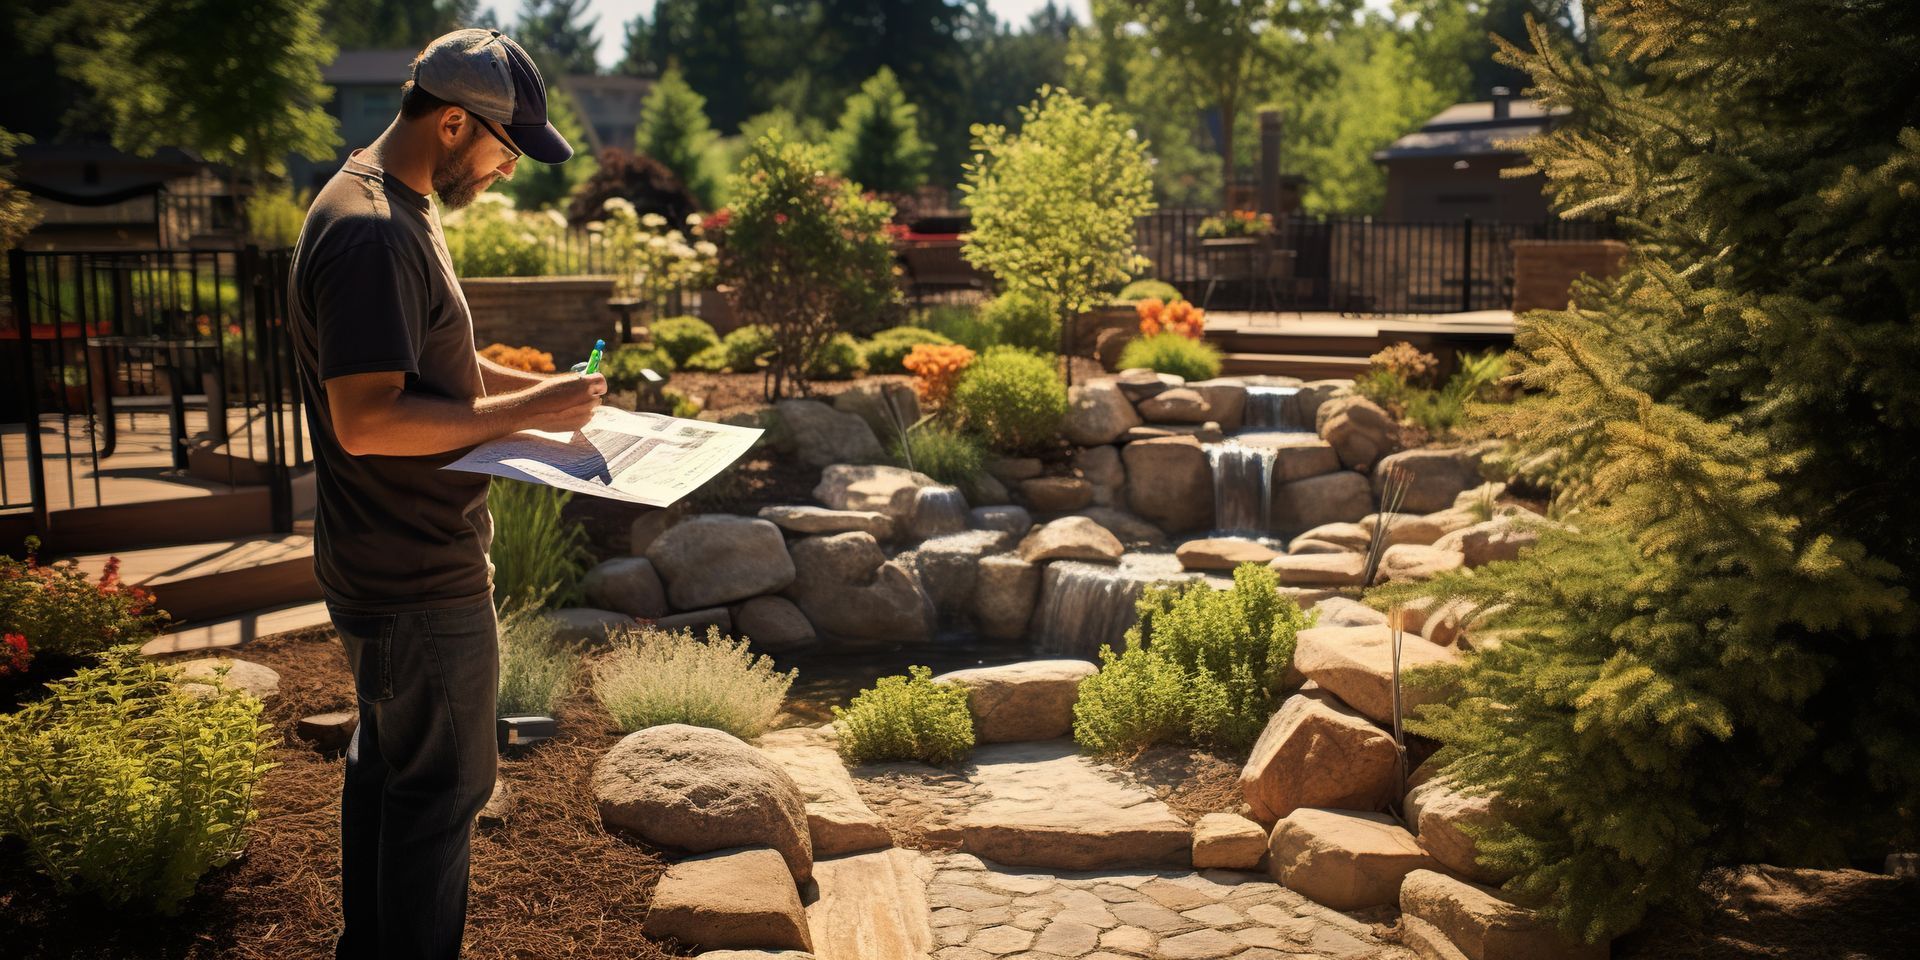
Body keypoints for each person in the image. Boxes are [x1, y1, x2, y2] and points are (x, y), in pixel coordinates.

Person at [283, 28, 603, 960]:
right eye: (506, 150)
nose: (508, 171)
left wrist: (540, 404)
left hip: (391, 561)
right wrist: (530, 409)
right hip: (414, 574)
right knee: (444, 791)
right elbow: (370, 418)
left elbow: (434, 371)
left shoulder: (394, 201)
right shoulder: (372, 231)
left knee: (390, 772)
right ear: (454, 123)